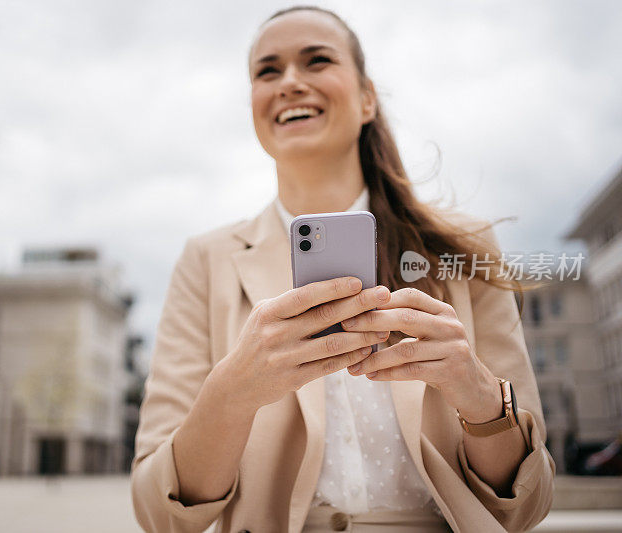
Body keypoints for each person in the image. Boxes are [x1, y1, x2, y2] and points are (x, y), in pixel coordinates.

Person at [131, 6, 555, 533]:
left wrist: (478, 396)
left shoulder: (462, 248)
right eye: (268, 71)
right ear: (254, 107)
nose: (289, 82)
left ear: (367, 98)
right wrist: (231, 395)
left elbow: (528, 505)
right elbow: (159, 513)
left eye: (317, 61)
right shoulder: (206, 260)